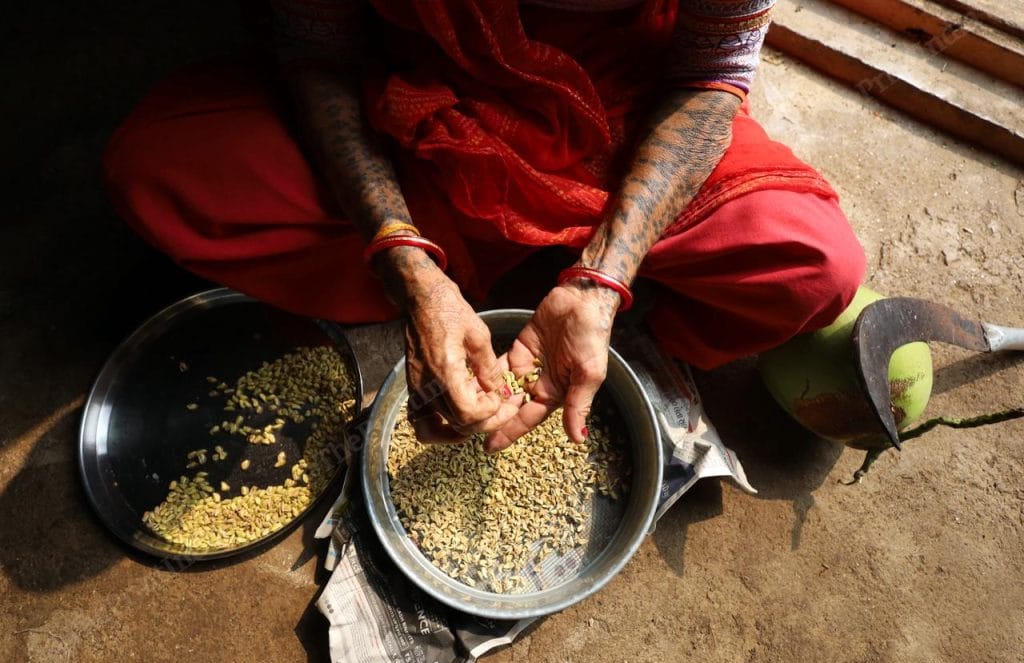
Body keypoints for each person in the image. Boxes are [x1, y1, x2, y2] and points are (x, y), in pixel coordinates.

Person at [103, 0, 866, 451]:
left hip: (616, 106)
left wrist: (603, 277)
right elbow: (317, 50)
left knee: (813, 263)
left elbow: (709, 78)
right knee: (160, 171)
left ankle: (559, 274)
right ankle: (474, 265)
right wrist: (405, 259)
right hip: (422, 88)